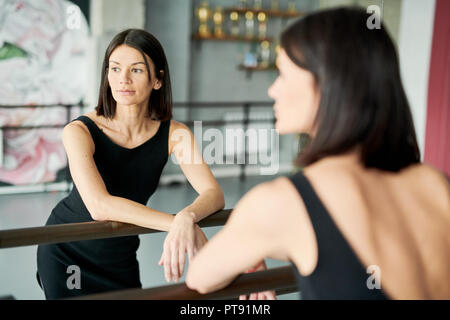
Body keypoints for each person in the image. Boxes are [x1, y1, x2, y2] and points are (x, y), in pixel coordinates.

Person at [186, 7, 450, 300]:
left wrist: (260, 242)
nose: (273, 90)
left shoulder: (282, 202)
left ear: (328, 84)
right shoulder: (435, 184)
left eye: (283, 74)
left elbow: (201, 277)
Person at [36, 29, 225, 299]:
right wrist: (176, 224)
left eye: (136, 70)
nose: (122, 79)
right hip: (68, 252)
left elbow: (213, 193)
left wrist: (188, 217)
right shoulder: (79, 131)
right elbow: (99, 205)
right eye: (115, 69)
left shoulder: (177, 134)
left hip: (120, 253)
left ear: (157, 80)